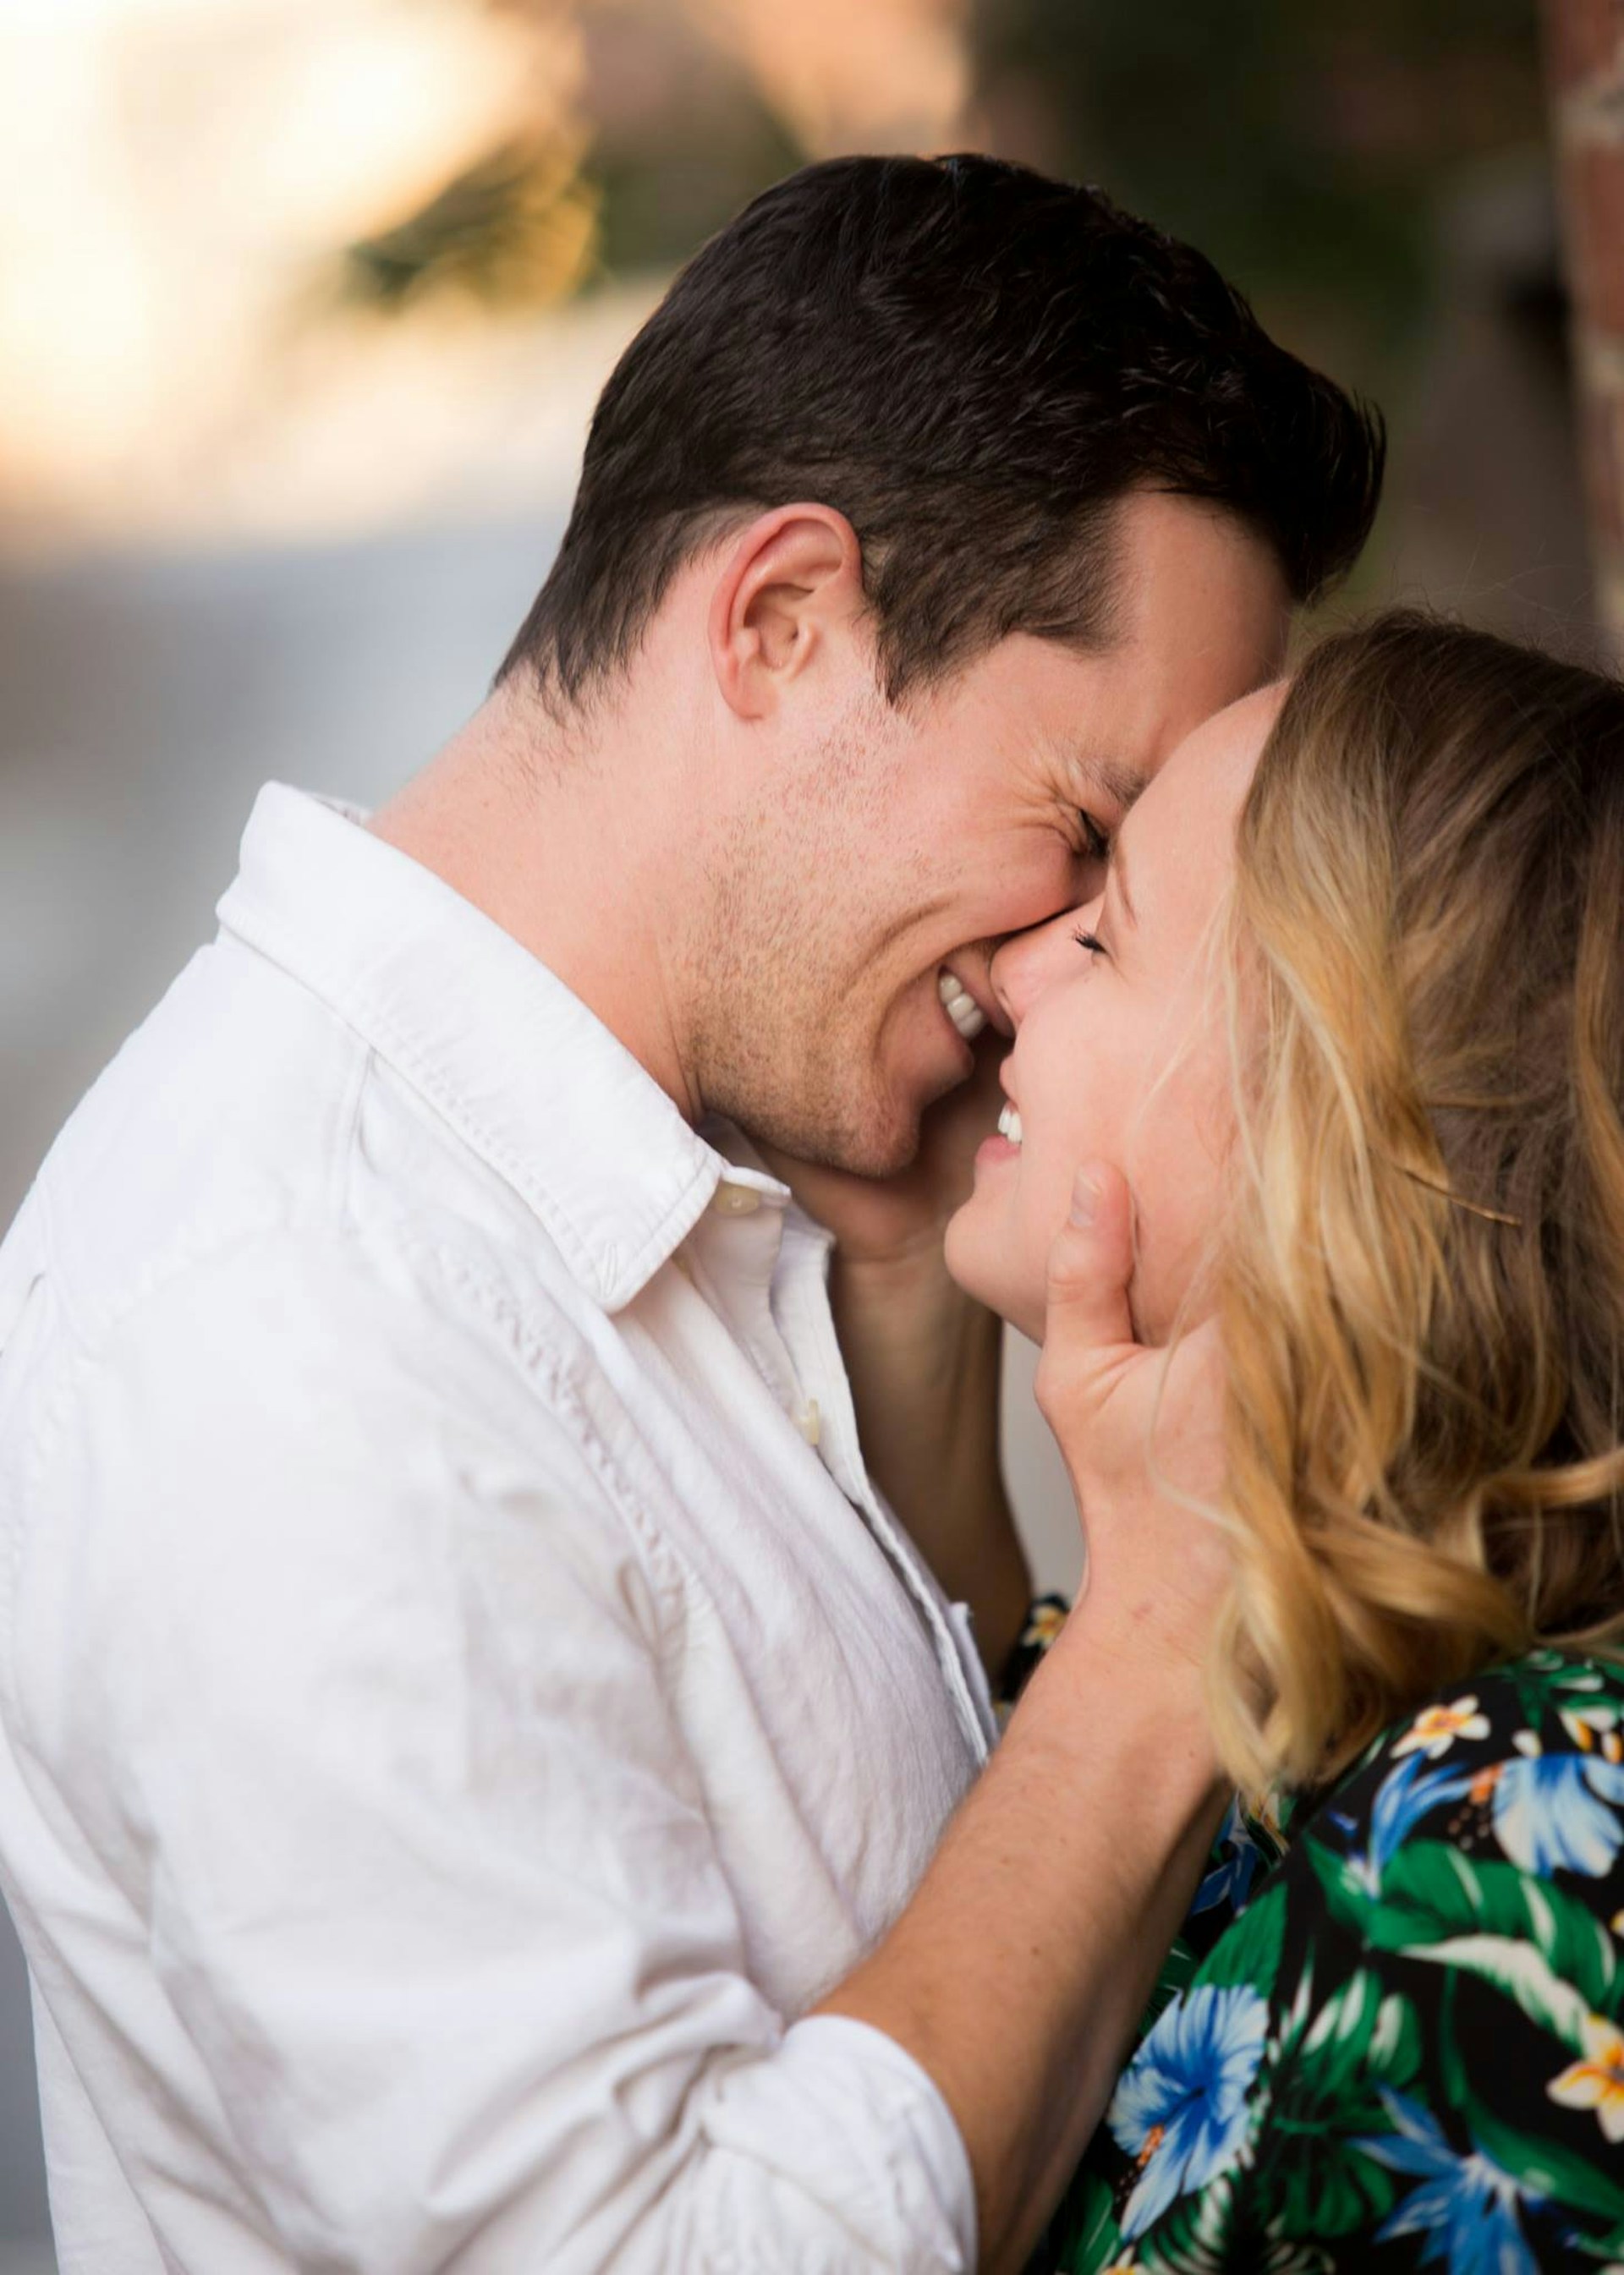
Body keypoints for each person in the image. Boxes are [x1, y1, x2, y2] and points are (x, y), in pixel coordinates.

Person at [0, 153, 1380, 2272]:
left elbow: (922, 1961)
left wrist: (915, 1304)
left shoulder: (674, 1174)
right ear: (781, 620)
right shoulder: (301, 1320)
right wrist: (1156, 1641)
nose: (1053, 970)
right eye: (1085, 828)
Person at [945, 611, 1624, 2271]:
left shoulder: (1505, 1847)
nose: (1010, 967)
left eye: (1104, 937)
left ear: (1324, 1133)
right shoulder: (1277, 1694)